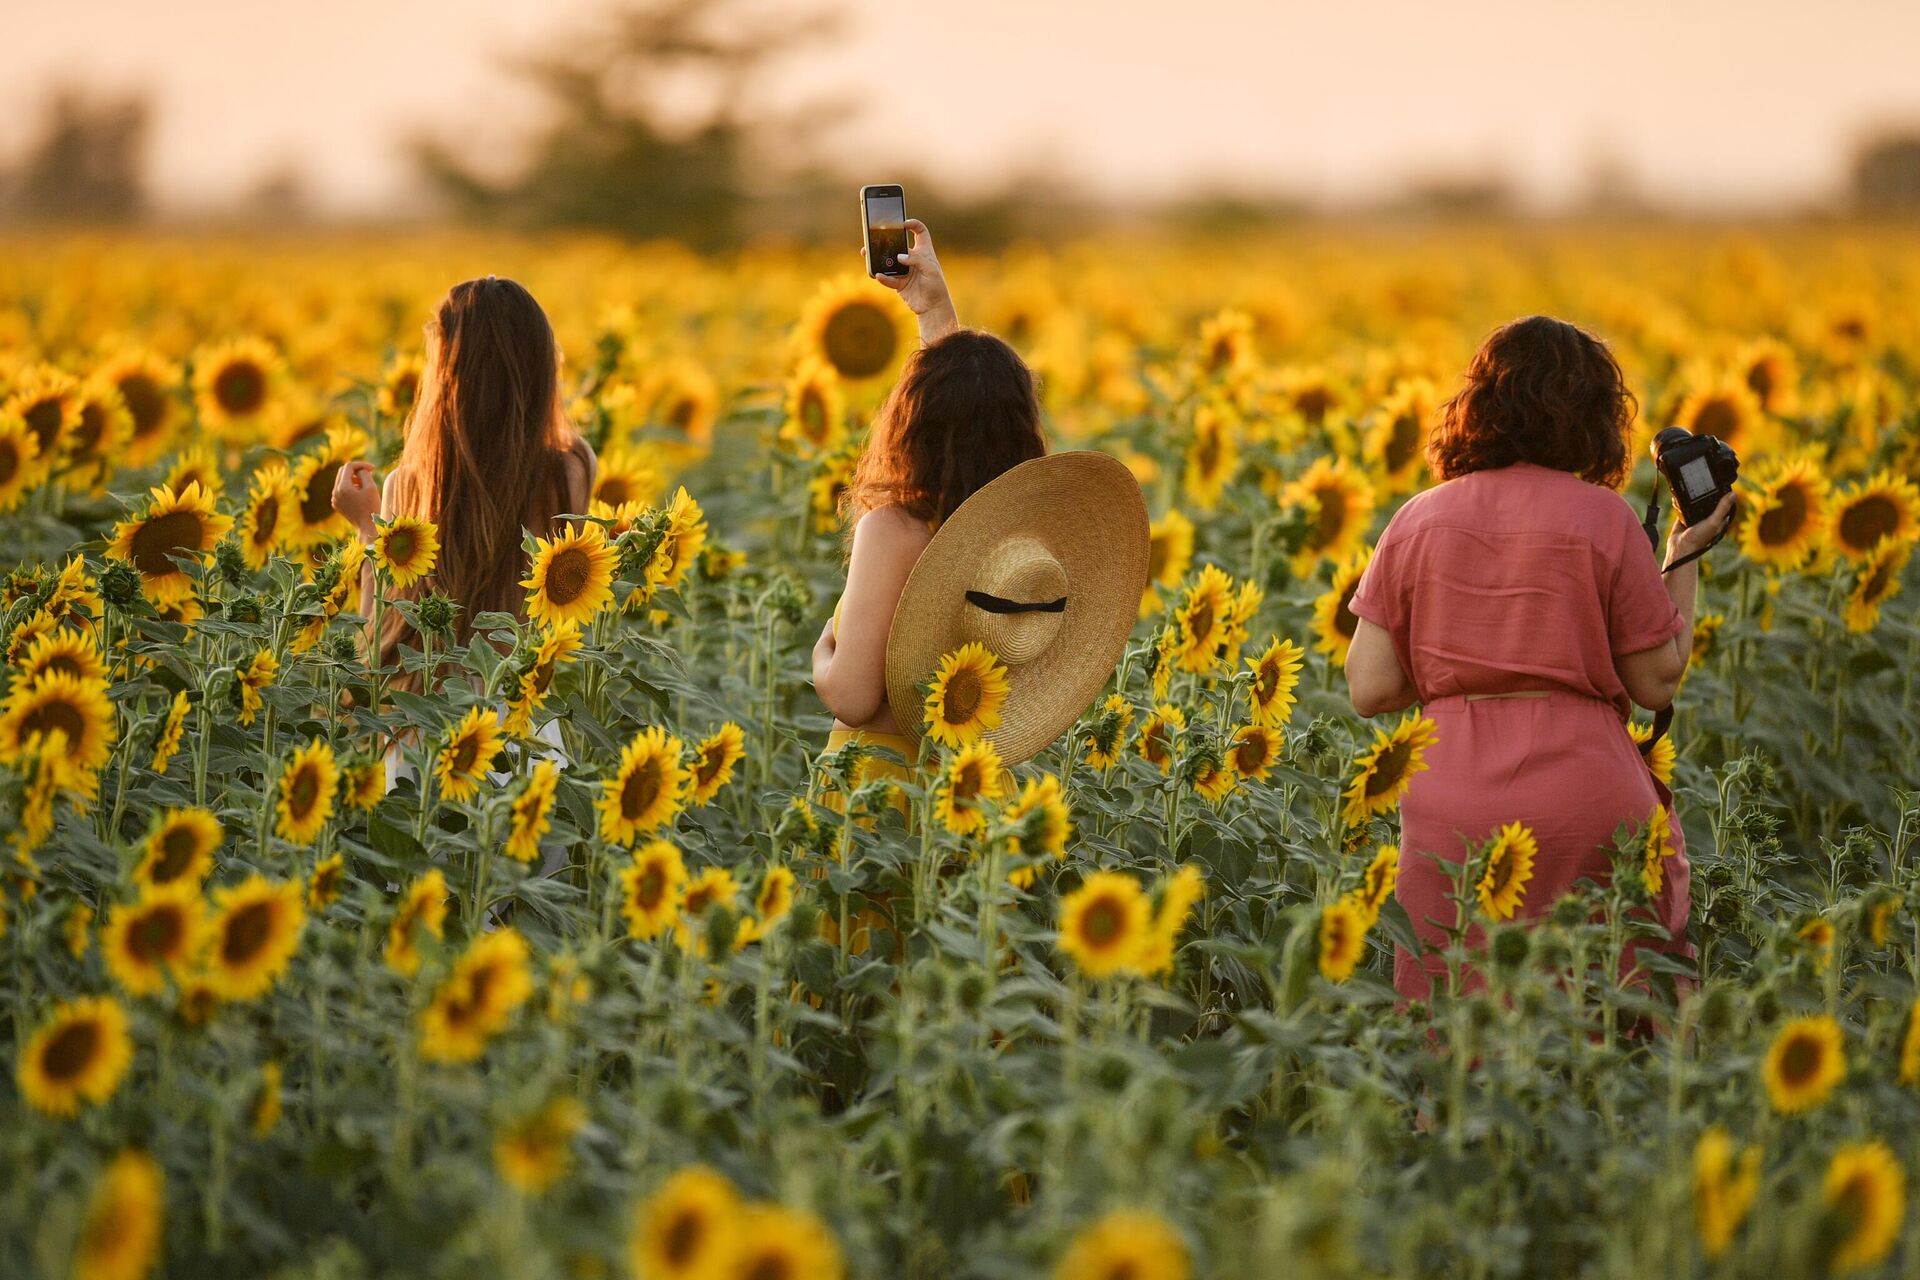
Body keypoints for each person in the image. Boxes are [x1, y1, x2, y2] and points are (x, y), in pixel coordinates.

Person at [1343, 315, 1734, 1002]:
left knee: (1454, 1013)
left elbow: (1371, 687)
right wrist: (1683, 554)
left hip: (1450, 799)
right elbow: (1655, 681)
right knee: (1598, 1008)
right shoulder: (1604, 518)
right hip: (1584, 795)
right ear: (1593, 416)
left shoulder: (1416, 519)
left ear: (1477, 407)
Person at [811, 220, 1048, 802]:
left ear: (908, 422)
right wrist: (933, 309)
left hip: (882, 793)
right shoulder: (1016, 539)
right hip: (977, 792)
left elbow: (856, 697)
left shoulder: (893, 530)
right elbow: (975, 405)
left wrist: (822, 653)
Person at [332, 275, 597, 695]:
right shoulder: (569, 470)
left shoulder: (410, 487)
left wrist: (369, 528)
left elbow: (377, 651)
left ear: (444, 378)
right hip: (520, 720)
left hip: (427, 722)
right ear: (541, 370)